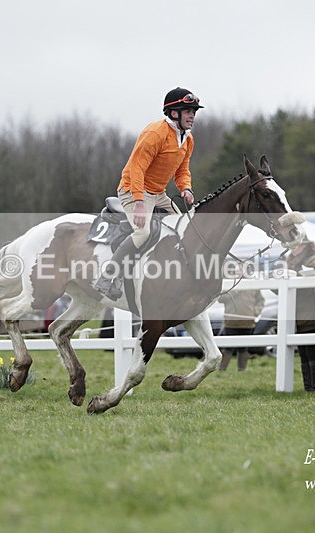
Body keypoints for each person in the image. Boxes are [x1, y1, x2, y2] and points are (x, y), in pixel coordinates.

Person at [93, 87, 201, 300]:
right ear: (173, 113)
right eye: (188, 111)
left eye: (194, 112)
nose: (192, 116)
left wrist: (185, 188)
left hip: (158, 193)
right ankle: (106, 277)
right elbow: (136, 168)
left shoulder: (187, 139)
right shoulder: (155, 134)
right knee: (142, 233)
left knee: (182, 228)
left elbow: (182, 171)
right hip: (133, 189)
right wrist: (139, 202)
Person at [284, 236, 315, 390]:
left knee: (311, 352)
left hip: (310, 310)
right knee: (303, 353)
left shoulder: (314, 260)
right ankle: (308, 386)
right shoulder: (289, 261)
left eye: (297, 245)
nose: (293, 248)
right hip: (296, 311)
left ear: (305, 245)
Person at [217, 283, 264, 372]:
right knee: (227, 349)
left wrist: (255, 312)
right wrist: (235, 291)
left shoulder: (253, 286)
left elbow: (260, 301)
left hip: (248, 323)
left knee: (243, 349)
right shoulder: (230, 284)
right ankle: (221, 371)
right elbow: (221, 299)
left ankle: (241, 371)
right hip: (231, 322)